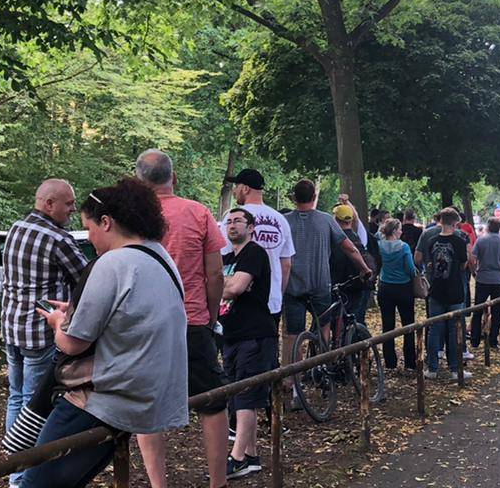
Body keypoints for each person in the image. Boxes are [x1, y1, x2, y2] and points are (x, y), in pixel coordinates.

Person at [25, 179, 188, 487]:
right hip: (153, 395)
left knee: (35, 482)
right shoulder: (161, 257)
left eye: (90, 228)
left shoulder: (112, 262)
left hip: (109, 400)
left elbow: (73, 344)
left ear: (106, 222)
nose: (90, 237)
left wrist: (58, 322)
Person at [134, 150, 229, 488]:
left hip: (143, 325)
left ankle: (159, 484)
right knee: (212, 401)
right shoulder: (198, 212)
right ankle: (219, 482)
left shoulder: (130, 218)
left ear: (139, 182)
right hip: (192, 320)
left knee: (147, 404)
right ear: (173, 178)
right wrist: (211, 312)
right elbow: (215, 273)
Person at [0, 178, 88, 485]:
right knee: (33, 405)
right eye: (69, 203)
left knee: (15, 398)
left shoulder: (15, 229)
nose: (73, 209)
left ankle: (14, 471)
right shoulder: (57, 239)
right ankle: (24, 476)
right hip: (41, 330)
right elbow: (87, 278)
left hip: (11, 327)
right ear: (48, 203)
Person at [283, 180, 372, 401]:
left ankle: (293, 386)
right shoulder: (326, 220)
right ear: (314, 196)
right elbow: (349, 247)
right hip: (320, 285)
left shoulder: (285, 221)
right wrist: (364, 268)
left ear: (294, 198)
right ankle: (322, 368)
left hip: (293, 287)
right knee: (324, 327)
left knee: (292, 336)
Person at [219, 207, 275, 480]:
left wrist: (224, 283)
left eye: (237, 221)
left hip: (255, 334)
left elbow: (235, 288)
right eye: (228, 221)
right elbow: (220, 285)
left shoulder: (254, 253)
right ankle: (251, 456)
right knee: (238, 395)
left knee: (246, 397)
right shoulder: (228, 257)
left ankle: (238, 458)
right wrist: (224, 283)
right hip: (229, 334)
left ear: (251, 227)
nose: (231, 225)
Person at [222, 169, 295, 320]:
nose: (234, 191)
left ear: (245, 189)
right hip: (271, 302)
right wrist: (277, 295)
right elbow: (286, 264)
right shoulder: (281, 220)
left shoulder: (233, 217)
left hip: (239, 302)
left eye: (236, 186)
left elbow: (222, 259)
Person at [416, 208, 473, 381]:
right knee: (454, 329)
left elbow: (427, 262)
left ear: (440, 221)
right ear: (456, 223)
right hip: (455, 289)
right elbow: (464, 264)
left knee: (434, 328)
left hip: (436, 289)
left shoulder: (431, 240)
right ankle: (455, 369)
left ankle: (432, 368)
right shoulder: (459, 240)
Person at [375, 218, 418, 372]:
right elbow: (410, 269)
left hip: (385, 287)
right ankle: (410, 362)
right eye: (399, 229)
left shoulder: (379, 246)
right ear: (394, 231)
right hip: (403, 288)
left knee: (387, 325)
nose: (401, 231)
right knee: (408, 324)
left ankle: (390, 361)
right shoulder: (404, 247)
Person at [469, 219, 500, 349]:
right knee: (497, 311)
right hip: (498, 280)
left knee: (477, 310)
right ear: (499, 228)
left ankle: (475, 340)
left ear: (488, 227)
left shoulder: (481, 240)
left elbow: (472, 259)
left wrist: (474, 273)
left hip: (482, 278)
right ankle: (493, 340)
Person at [332, 204, 375, 325]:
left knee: (332, 321)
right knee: (355, 320)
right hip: (356, 285)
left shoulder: (332, 238)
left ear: (336, 219)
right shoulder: (358, 236)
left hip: (336, 285)